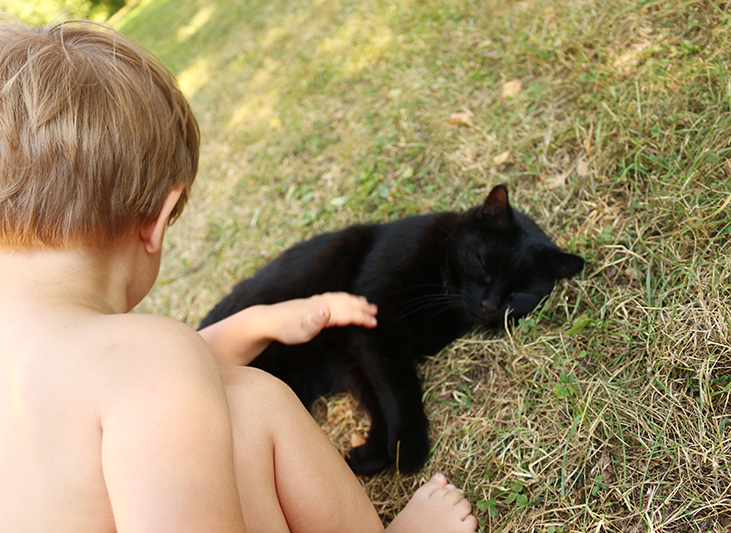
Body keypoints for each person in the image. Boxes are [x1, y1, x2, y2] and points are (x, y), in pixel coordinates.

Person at [0, 17, 479, 533]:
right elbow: (155, 375)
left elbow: (147, 384)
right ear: (156, 221)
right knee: (250, 399)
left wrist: (260, 322)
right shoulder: (147, 357)